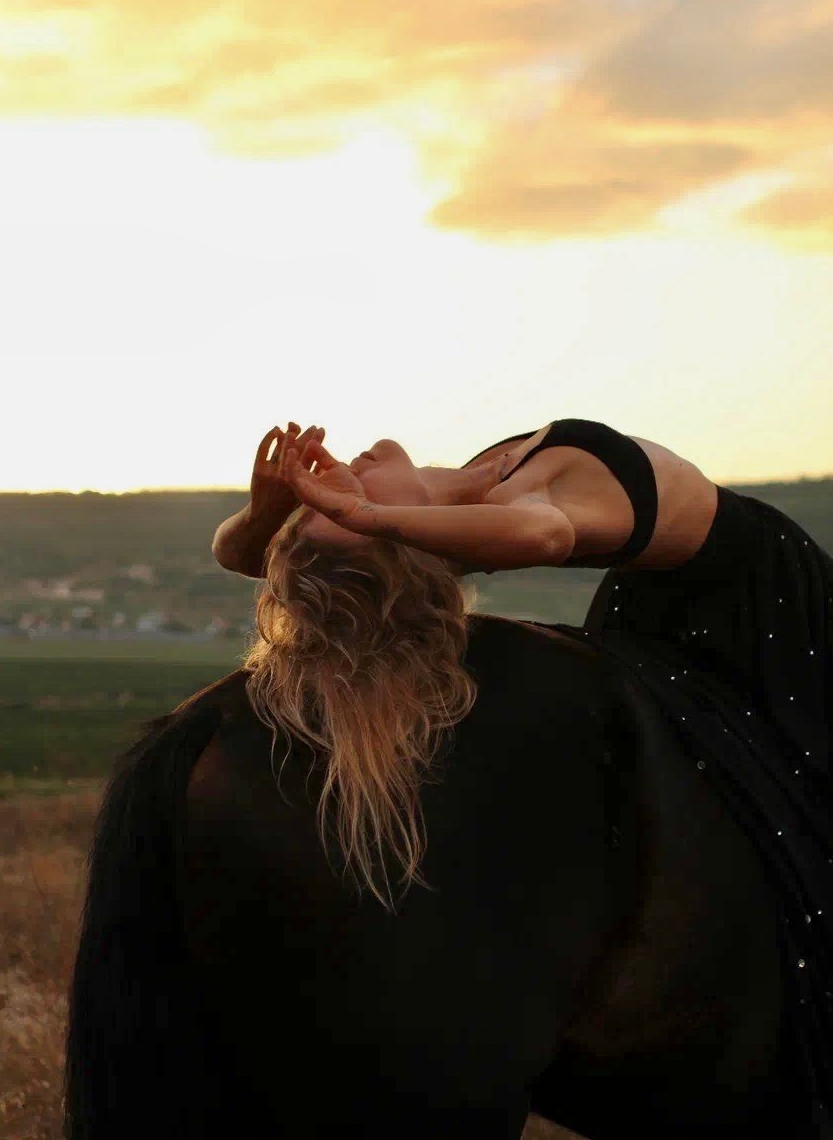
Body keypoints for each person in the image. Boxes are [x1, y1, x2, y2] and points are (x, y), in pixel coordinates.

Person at [211, 417, 831, 1132]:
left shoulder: (463, 504)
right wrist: (366, 513)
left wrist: (268, 515)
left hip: (660, 621)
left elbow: (241, 556)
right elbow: (546, 537)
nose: (334, 487)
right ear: (403, 537)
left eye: (325, 506)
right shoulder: (517, 511)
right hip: (773, 625)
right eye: (338, 513)